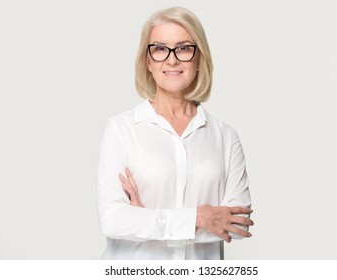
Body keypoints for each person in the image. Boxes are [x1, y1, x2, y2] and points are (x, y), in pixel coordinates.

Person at [96, 6, 253, 260]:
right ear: (147, 61)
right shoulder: (121, 129)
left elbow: (238, 225)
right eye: (159, 48)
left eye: (183, 48)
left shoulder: (225, 138)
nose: (171, 59)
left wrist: (147, 220)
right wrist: (200, 219)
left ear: (199, 57)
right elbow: (112, 220)